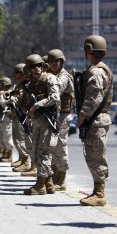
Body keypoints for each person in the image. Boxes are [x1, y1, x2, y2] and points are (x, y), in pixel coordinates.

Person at [76, 36, 113, 206]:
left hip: (95, 119)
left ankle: (99, 194)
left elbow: (93, 97)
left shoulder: (97, 71)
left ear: (88, 50)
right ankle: (97, 191)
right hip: (95, 119)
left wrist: (82, 115)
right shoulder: (96, 69)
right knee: (93, 155)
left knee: (96, 156)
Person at [23, 54, 60, 195]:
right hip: (38, 120)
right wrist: (29, 114)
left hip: (48, 120)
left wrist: (37, 105)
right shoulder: (32, 84)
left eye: (39, 65)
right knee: (36, 151)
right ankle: (49, 183)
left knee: (44, 152)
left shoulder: (50, 78)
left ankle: (40, 185)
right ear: (30, 69)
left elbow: (55, 98)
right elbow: (30, 103)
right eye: (33, 66)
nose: (37, 68)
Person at [48, 49, 74, 191]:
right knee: (51, 145)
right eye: (51, 61)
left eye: (56, 61)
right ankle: (53, 176)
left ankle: (61, 179)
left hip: (63, 115)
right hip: (53, 115)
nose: (53, 64)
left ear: (61, 62)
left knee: (60, 145)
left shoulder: (64, 77)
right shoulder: (51, 75)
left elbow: (56, 89)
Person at [0, 77, 14, 163]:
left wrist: (1, 96)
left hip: (7, 117)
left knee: (7, 138)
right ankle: (6, 154)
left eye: (2, 84)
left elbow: (3, 104)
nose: (0, 86)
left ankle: (10, 156)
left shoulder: (8, 93)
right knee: (4, 137)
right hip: (2, 117)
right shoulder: (2, 93)